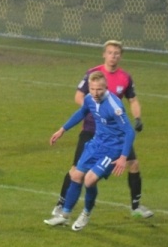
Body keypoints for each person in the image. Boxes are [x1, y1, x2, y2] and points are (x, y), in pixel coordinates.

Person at [51, 40, 152, 219]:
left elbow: (133, 100)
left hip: (115, 134)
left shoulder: (125, 78)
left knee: (133, 164)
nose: (113, 56)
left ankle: (136, 206)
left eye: (116, 53)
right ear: (104, 54)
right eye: (110, 52)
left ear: (120, 56)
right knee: (76, 170)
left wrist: (137, 118)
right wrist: (96, 111)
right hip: (91, 130)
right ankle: (61, 204)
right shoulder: (93, 74)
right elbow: (79, 97)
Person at [45, 71, 136, 231]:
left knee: (89, 180)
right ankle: (64, 216)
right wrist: (62, 130)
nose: (95, 93)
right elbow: (81, 113)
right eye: (92, 89)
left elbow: (129, 131)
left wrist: (123, 157)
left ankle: (86, 213)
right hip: (95, 144)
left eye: (99, 89)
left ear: (106, 87)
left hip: (113, 149)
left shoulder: (115, 106)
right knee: (76, 175)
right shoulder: (89, 99)